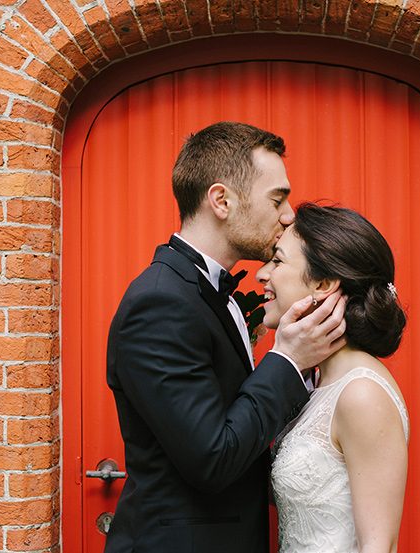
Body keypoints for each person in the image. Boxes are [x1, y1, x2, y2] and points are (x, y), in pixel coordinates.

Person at [104, 122, 347, 553]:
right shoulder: (160, 304)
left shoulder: (208, 294)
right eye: (277, 198)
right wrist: (286, 361)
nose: (289, 214)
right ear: (221, 200)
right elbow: (212, 458)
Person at [262, 203, 410, 553]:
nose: (262, 274)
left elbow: (379, 546)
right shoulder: (316, 383)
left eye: (278, 261)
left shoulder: (361, 394)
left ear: (324, 284)